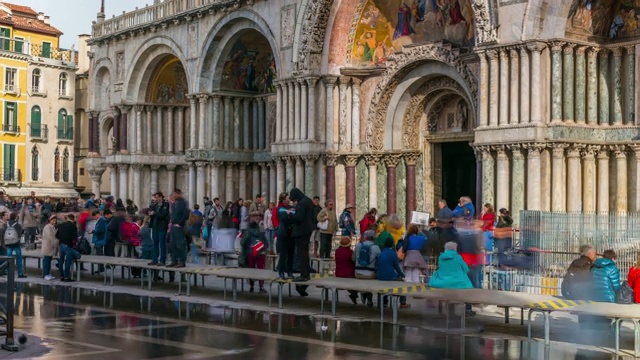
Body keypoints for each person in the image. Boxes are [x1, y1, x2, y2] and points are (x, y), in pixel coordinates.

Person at [288, 188, 315, 282]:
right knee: (304, 252)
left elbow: (299, 218)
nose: (294, 201)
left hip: (301, 231)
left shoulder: (302, 203)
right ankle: (305, 273)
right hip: (307, 230)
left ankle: (304, 275)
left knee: (302, 253)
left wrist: (290, 215)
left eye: (294, 199)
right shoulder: (308, 201)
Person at [353, 230, 381, 306]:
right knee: (374, 276)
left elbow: (353, 258)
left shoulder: (359, 246)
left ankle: (363, 293)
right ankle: (369, 298)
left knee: (364, 278)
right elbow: (379, 261)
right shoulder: (376, 248)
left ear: (365, 237)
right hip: (370, 274)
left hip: (357, 273)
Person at [377, 237, 406, 307]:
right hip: (390, 276)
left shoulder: (381, 252)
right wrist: (403, 275)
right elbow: (397, 267)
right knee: (402, 283)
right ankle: (403, 302)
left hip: (380, 276)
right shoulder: (393, 253)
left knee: (385, 286)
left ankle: (384, 302)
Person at [240, 220, 267, 293]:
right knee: (261, 270)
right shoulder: (261, 233)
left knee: (251, 270)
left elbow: (242, 242)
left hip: (251, 253)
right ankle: (261, 287)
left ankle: (251, 286)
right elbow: (266, 243)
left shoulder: (247, 233)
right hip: (260, 253)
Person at [168, 189, 190, 268]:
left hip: (179, 226)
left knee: (180, 244)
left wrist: (180, 223)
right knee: (172, 244)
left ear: (178, 194)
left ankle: (182, 261)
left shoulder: (183, 203)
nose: (173, 196)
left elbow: (186, 214)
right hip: (173, 226)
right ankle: (174, 260)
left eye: (174, 194)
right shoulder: (174, 203)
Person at [276, 193, 295, 280]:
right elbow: (283, 217)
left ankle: (289, 271)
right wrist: (289, 214)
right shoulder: (280, 208)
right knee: (283, 254)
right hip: (283, 234)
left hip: (291, 234)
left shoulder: (292, 208)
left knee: (291, 254)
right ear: (283, 200)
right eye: (287, 198)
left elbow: (295, 216)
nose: (289, 200)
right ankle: (281, 272)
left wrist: (289, 213)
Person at [148, 192, 170, 266]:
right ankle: (154, 259)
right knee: (155, 244)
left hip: (161, 227)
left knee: (162, 244)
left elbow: (163, 215)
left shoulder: (165, 204)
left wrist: (155, 213)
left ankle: (162, 260)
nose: (156, 199)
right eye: (155, 197)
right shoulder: (155, 205)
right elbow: (150, 211)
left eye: (157, 197)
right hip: (154, 226)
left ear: (161, 197)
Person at [335, 236, 358, 304]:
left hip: (338, 274)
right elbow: (354, 261)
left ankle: (353, 294)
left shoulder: (337, 251)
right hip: (349, 274)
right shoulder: (350, 252)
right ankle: (354, 295)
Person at [57, 213, 78, 282]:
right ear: (73, 219)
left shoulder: (61, 225)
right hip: (68, 245)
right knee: (68, 261)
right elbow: (75, 237)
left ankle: (61, 276)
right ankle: (66, 277)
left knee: (61, 261)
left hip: (61, 245)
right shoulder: (73, 226)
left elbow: (57, 235)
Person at [91, 209, 112, 274]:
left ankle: (101, 268)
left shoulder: (101, 220)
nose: (95, 218)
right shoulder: (103, 220)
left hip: (99, 239)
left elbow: (100, 230)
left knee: (99, 254)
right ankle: (101, 268)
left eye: (94, 216)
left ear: (97, 214)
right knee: (99, 253)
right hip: (100, 239)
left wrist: (93, 231)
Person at [5, 212, 25, 278]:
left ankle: (8, 272)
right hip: (16, 244)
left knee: (8, 259)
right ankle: (20, 273)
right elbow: (20, 234)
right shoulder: (18, 225)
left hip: (8, 244)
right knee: (19, 258)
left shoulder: (6, 224)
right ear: (16, 217)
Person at [41, 215, 58, 280]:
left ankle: (48, 273)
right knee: (46, 261)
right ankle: (45, 274)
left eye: (55, 220)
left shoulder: (53, 227)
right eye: (53, 220)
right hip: (48, 246)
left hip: (50, 246)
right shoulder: (48, 227)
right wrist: (56, 242)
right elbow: (50, 236)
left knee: (49, 260)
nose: (54, 221)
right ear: (50, 220)